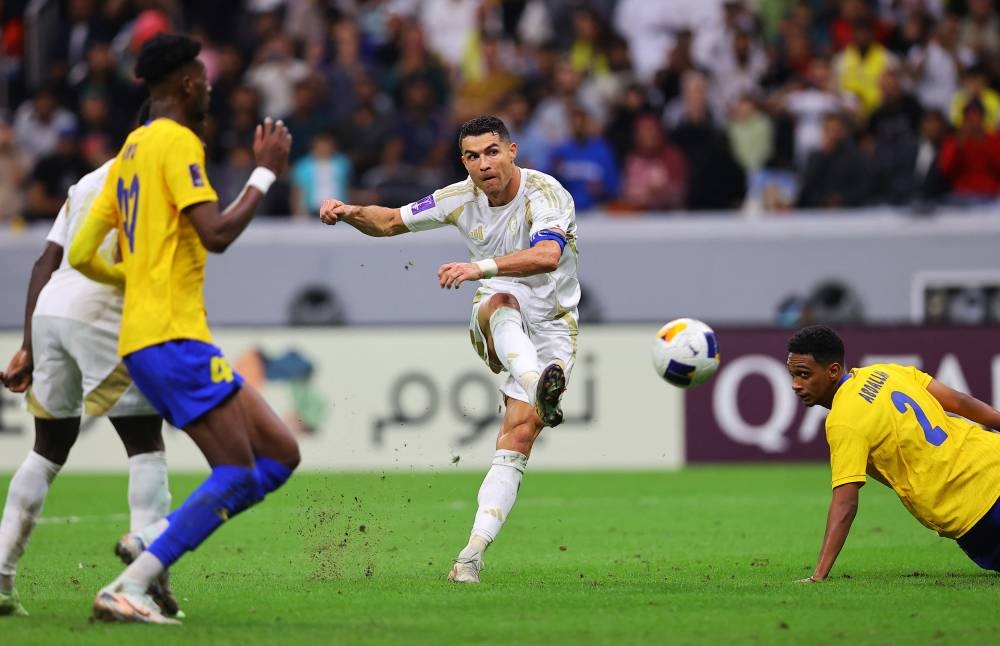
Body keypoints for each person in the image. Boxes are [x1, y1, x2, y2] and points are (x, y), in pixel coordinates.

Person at [68, 33, 299, 624]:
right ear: (187, 84)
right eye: (206, 80)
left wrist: (135, 278)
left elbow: (82, 253)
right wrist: (265, 174)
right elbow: (215, 234)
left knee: (279, 453)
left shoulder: (130, 152)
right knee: (236, 470)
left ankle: (154, 540)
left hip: (152, 336)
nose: (211, 89)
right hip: (172, 337)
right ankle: (134, 584)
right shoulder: (177, 142)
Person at [319, 115, 578, 584]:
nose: (484, 164)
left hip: (555, 326)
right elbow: (392, 221)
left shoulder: (547, 193)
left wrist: (477, 265)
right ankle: (536, 383)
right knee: (501, 300)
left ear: (512, 151)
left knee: (517, 440)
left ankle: (471, 555)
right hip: (497, 313)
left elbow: (548, 256)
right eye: (473, 156)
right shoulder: (458, 197)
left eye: (492, 152)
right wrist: (349, 212)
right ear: (464, 162)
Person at [0, 103, 174, 619]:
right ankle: (141, 585)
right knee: (145, 442)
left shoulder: (86, 183)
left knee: (48, 449)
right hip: (100, 310)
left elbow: (44, 262)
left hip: (52, 308)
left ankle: (2, 578)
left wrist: (30, 342)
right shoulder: (153, 176)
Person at [785, 325, 1000, 582]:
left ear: (832, 371)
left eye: (804, 374)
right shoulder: (885, 371)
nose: (795, 385)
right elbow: (959, 402)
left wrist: (818, 575)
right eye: (793, 375)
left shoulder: (843, 421)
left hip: (976, 508)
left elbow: (846, 503)